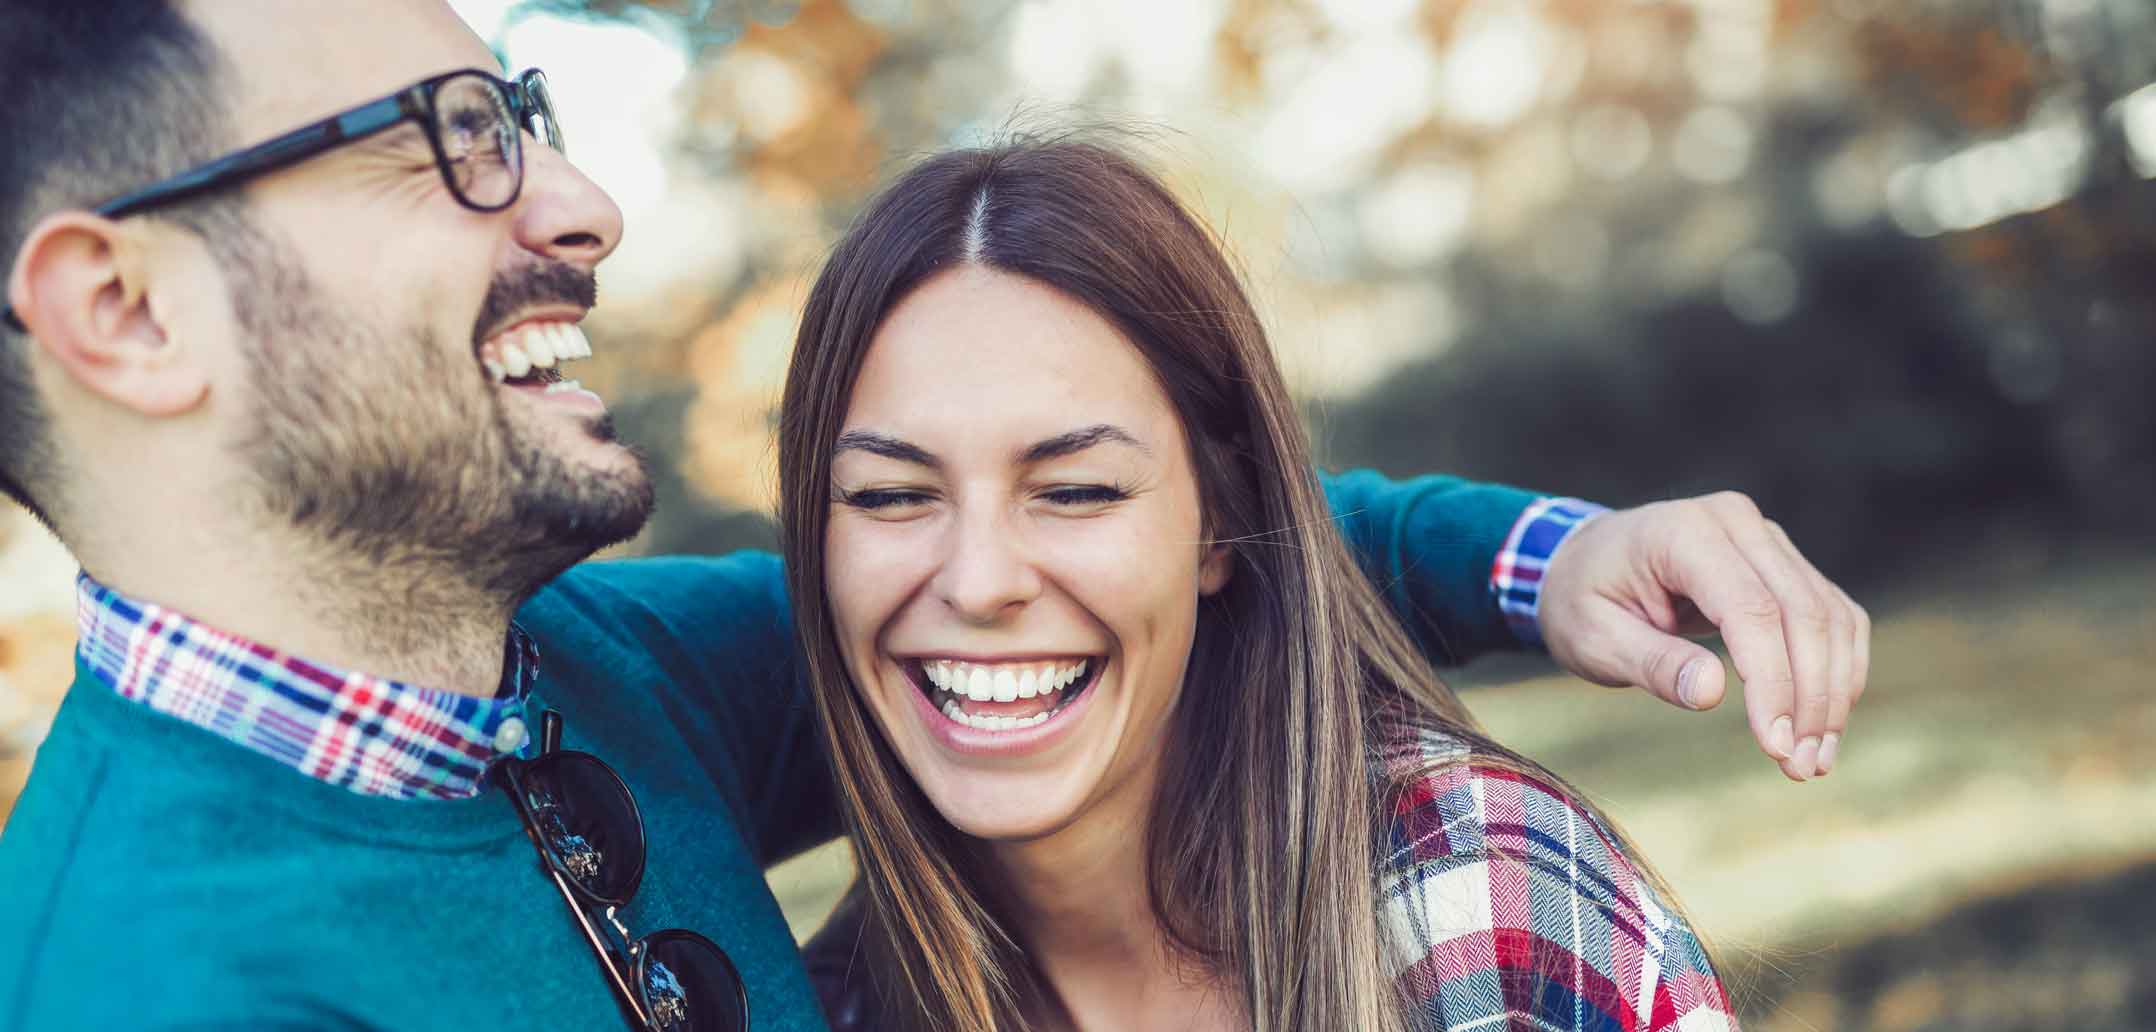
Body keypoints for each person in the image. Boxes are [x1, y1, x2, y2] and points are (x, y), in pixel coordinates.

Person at [0, 2, 1862, 1028]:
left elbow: (1152, 566)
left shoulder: (608, 673)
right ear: (129, 313)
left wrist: (1544, 560)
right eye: (455, 136)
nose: (578, 205)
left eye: (532, 114)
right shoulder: (134, 980)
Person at [785, 139, 1740, 1031]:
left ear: (1219, 526)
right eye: (891, 495)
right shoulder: (834, 1006)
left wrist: (1558, 554)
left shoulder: (1491, 907)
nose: (980, 581)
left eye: (1075, 490)